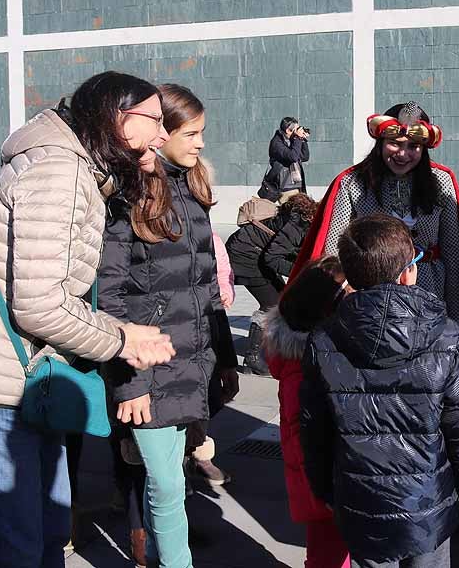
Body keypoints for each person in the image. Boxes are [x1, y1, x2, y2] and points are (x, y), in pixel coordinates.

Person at [0, 71, 176, 568]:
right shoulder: (59, 172)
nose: (163, 134)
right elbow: (40, 305)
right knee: (19, 548)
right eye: (156, 120)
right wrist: (122, 339)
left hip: (20, 385)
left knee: (45, 536)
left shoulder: (76, 169)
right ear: (116, 116)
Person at [99, 83, 238, 568]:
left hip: (192, 365)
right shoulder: (129, 196)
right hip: (149, 370)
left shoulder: (191, 189)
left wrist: (224, 359)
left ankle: (160, 557)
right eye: (192, 132)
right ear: (162, 133)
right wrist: (129, 381)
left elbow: (206, 292)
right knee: (166, 484)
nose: (200, 143)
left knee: (173, 482)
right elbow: (109, 296)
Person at [300, 214, 459, 568]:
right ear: (408, 272)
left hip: (361, 499)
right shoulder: (449, 336)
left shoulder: (324, 339)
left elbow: (313, 427)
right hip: (428, 502)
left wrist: (323, 489)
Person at [290, 102, 459, 324]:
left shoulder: (441, 182)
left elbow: (453, 255)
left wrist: (457, 322)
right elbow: (333, 250)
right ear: (381, 142)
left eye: (413, 146)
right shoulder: (352, 183)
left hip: (428, 291)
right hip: (370, 292)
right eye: (394, 143)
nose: (403, 154)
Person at [261, 257, 352, 568]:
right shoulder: (307, 371)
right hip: (326, 487)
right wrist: (326, 490)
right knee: (329, 555)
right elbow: (305, 438)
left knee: (326, 551)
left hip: (324, 485)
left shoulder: (302, 360)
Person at [226, 193, 318, 375]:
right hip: (244, 256)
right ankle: (253, 359)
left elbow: (285, 249)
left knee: (281, 299)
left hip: (255, 253)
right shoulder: (297, 225)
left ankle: (268, 351)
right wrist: (301, 272)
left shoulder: (302, 219)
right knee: (272, 304)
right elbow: (272, 258)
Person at [258, 116, 310, 203]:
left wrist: (302, 140)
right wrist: (297, 138)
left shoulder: (292, 140)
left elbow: (304, 157)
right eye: (296, 129)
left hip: (295, 184)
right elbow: (293, 157)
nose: (297, 131)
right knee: (292, 214)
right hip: (285, 186)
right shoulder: (277, 143)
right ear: (288, 131)